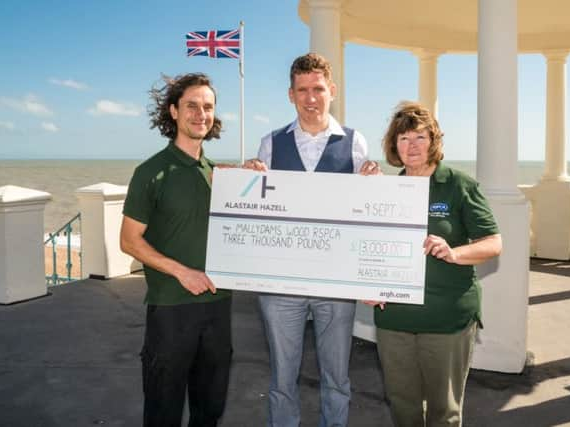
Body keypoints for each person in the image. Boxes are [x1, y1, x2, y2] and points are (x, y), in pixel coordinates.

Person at [243, 53, 379, 427]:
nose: (311, 98)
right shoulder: (270, 144)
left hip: (335, 283)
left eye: (318, 88)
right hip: (280, 284)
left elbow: (363, 211)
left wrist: (373, 184)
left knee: (337, 378)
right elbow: (258, 210)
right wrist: (248, 179)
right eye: (302, 90)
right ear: (291, 94)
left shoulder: (354, 143)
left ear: (331, 91)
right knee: (281, 378)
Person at [365, 101, 502, 427]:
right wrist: (364, 283)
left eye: (419, 138)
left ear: (434, 141)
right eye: (403, 139)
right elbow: (362, 244)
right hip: (394, 317)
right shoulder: (385, 190)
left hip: (446, 319)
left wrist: (455, 253)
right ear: (393, 145)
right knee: (403, 407)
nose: (411, 146)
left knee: (445, 412)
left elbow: (494, 243)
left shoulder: (458, 184)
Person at [120, 73, 232, 427]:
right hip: (170, 310)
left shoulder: (219, 176)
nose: (201, 113)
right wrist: (181, 271)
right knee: (163, 411)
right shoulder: (151, 172)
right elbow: (129, 240)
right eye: (192, 106)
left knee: (209, 409)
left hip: (218, 308)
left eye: (208, 106)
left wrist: (254, 180)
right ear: (173, 112)